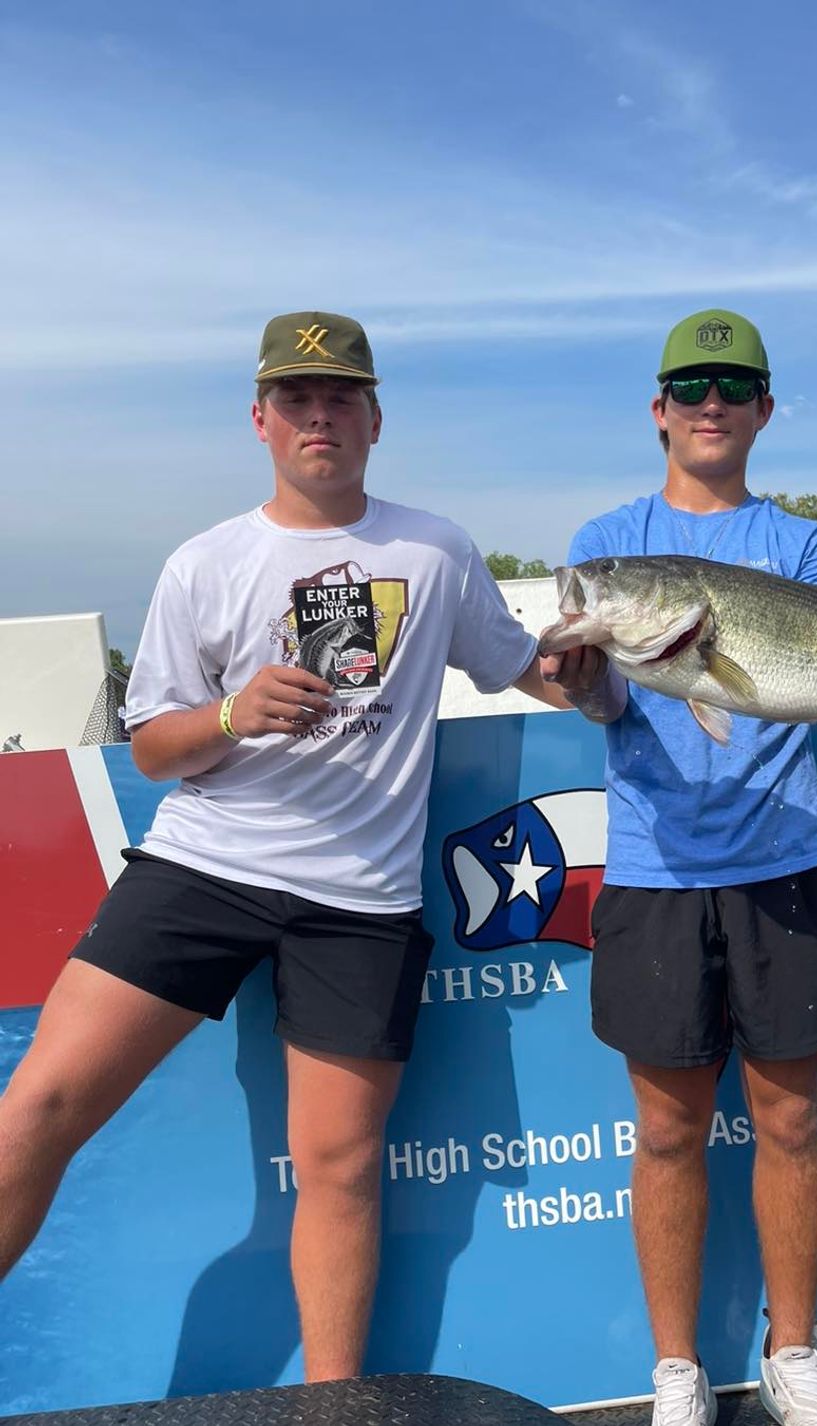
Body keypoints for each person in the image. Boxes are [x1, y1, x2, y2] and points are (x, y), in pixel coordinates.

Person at [0, 310, 569, 1382]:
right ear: (260, 419)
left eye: (341, 397)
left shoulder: (435, 548)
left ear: (375, 418)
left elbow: (523, 667)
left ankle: (334, 1408)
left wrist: (634, 671)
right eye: (298, 400)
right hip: (206, 866)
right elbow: (156, 747)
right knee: (37, 1105)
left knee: (340, 1169)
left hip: (360, 901)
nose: (321, 416)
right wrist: (234, 712)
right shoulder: (205, 563)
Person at [542, 309, 817, 1426]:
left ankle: (793, 1356)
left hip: (786, 860)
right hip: (653, 872)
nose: (708, 402)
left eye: (732, 384)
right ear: (659, 408)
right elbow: (603, 698)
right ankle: (678, 1372)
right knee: (669, 1128)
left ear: (763, 409)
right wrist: (580, 675)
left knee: (789, 1121)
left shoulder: (797, 543)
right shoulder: (610, 534)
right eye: (689, 385)